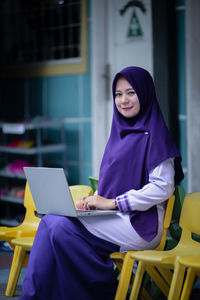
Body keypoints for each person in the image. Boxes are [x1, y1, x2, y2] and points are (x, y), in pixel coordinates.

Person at [19, 66, 183, 300]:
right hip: (114, 216)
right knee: (53, 222)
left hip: (140, 223)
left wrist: (112, 203)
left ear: (144, 93)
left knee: (60, 227)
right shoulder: (119, 134)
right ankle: (40, 295)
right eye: (118, 94)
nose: (124, 100)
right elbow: (112, 181)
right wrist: (92, 200)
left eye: (131, 92)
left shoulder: (156, 135)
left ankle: (102, 292)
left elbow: (162, 187)